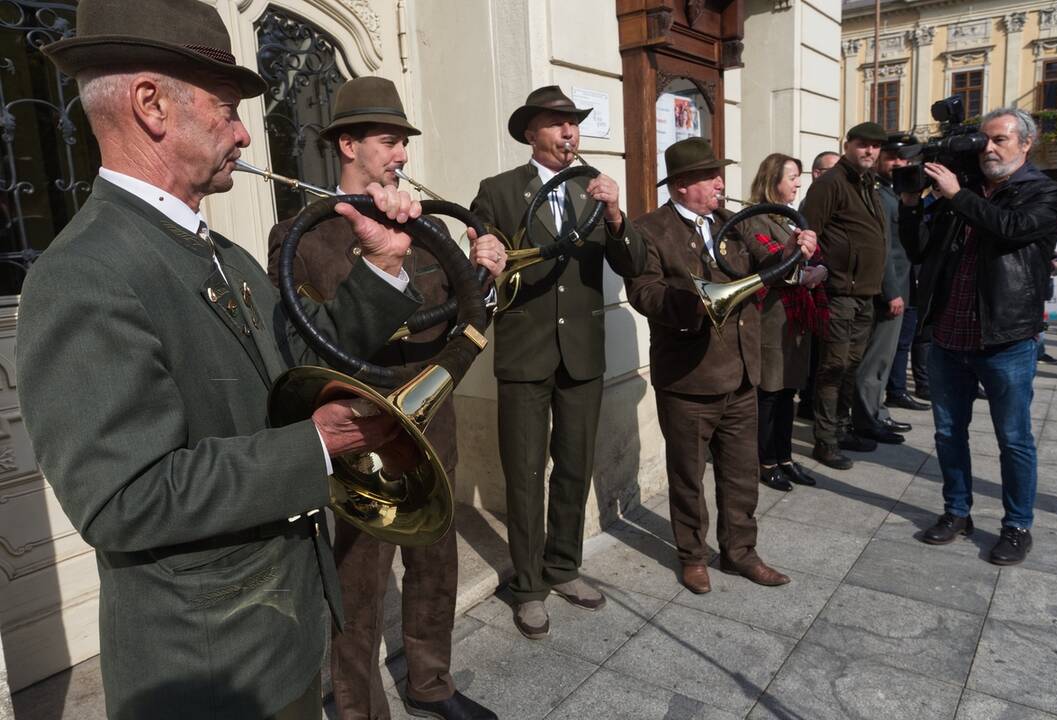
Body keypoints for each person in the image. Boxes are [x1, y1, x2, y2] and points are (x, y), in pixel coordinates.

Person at [16, 1, 427, 718]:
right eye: (229, 110)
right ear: (151, 105)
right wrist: (317, 446)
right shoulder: (82, 274)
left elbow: (299, 351)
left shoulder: (223, 254)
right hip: (209, 671)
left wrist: (382, 265)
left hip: (278, 640)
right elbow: (125, 499)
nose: (244, 133)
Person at [267, 77, 503, 720]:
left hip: (432, 420)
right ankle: (358, 708)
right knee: (358, 579)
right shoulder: (299, 236)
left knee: (436, 560)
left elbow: (462, 320)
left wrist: (485, 272)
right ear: (348, 145)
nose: (401, 154)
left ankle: (432, 683)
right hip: (360, 432)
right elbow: (303, 348)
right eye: (387, 141)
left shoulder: (427, 227)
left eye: (403, 142)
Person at [469, 86, 646, 639]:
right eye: (555, 122)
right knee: (525, 474)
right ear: (531, 133)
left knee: (574, 465)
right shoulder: (498, 190)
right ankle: (528, 587)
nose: (569, 131)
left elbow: (633, 262)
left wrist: (615, 214)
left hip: (583, 354)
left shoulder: (593, 189)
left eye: (573, 122)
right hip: (525, 353)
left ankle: (564, 566)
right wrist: (484, 256)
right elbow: (480, 267)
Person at [626, 137, 817, 595]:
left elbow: (772, 267)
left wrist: (795, 249)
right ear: (682, 184)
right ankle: (693, 555)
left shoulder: (732, 223)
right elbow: (644, 293)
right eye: (710, 176)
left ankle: (740, 552)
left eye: (719, 174)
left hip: (743, 373)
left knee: (741, 473)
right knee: (688, 477)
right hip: (689, 376)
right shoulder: (649, 229)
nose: (720, 183)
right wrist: (692, 304)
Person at [900, 107, 1057, 565]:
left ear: (1026, 143)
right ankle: (957, 512)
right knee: (948, 432)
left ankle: (1017, 526)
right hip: (948, 335)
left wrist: (957, 195)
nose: (988, 149)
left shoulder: (1048, 191)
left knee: (1013, 438)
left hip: (1006, 338)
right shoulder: (965, 189)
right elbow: (920, 249)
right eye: (984, 140)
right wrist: (912, 204)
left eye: (1000, 140)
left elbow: (1011, 229)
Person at [801, 122, 889, 470]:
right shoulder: (830, 183)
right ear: (847, 145)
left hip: (864, 293)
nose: (870, 151)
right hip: (838, 293)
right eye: (863, 144)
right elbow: (808, 234)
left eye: (875, 146)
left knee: (851, 367)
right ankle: (825, 441)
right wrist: (821, 272)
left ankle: (840, 429)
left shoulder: (868, 184)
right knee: (833, 368)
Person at [740, 153, 828, 492]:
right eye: (792, 177)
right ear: (773, 179)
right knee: (770, 393)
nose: (798, 183)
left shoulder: (792, 217)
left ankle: (785, 458)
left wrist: (820, 270)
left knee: (788, 391)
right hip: (771, 318)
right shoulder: (755, 219)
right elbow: (767, 264)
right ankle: (766, 461)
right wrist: (802, 272)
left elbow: (815, 256)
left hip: (795, 319)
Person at [852, 133, 925, 444]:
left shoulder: (896, 192)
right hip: (886, 291)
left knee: (885, 357)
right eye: (893, 157)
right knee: (876, 359)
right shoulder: (878, 194)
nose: (899, 163)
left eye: (904, 158)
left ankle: (877, 412)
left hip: (900, 287)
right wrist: (891, 291)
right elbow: (881, 250)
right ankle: (867, 419)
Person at [796, 149, 841, 419]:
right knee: (815, 351)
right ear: (817, 173)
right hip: (812, 284)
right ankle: (808, 401)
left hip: (824, 279)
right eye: (832, 171)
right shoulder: (812, 202)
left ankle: (810, 400)